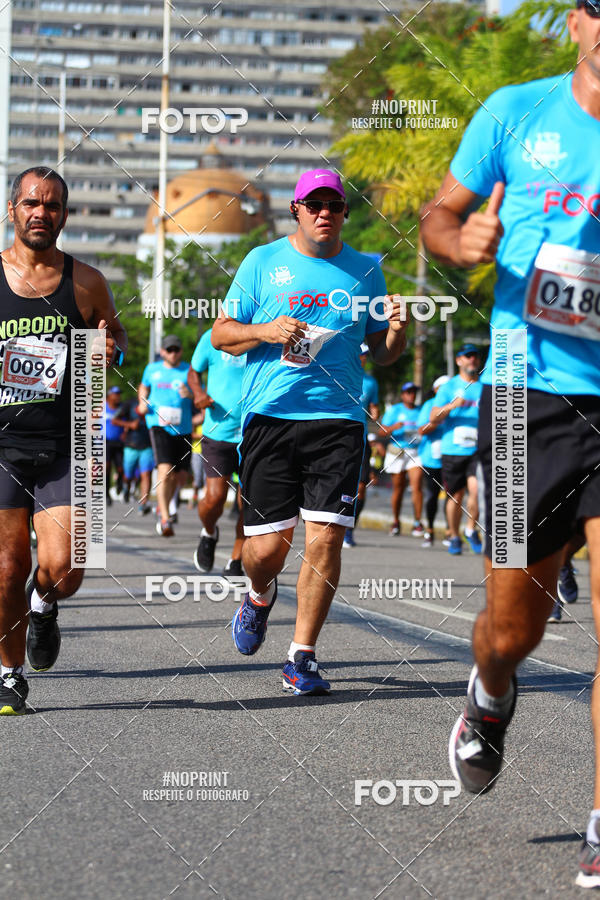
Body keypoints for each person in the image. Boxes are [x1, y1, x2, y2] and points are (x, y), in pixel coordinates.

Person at [421, 2, 600, 886]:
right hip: (530, 392)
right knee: (509, 628)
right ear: (577, 23)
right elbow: (438, 217)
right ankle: (490, 700)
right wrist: (465, 241)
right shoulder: (515, 112)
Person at [212, 168, 409, 695]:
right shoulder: (262, 262)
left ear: (346, 212)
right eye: (314, 204)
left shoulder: (367, 271)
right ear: (296, 210)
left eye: (335, 206)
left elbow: (383, 355)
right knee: (267, 552)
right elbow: (221, 335)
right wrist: (263, 330)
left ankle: (302, 657)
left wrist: (396, 333)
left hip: (339, 422)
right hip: (271, 419)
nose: (325, 213)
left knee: (326, 539)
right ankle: (258, 595)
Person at [0, 166, 126, 715]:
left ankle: (45, 604)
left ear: (64, 216)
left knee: (70, 566)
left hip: (72, 441)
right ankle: (9, 675)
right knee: (5, 567)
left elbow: (115, 336)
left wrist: (110, 346)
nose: (40, 213)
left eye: (51, 206)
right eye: (31, 203)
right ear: (12, 210)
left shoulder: (87, 281)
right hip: (2, 444)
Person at [187, 325, 246, 575]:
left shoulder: (267, 336)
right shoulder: (212, 336)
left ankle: (236, 560)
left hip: (255, 433)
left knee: (250, 502)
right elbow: (193, 371)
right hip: (218, 432)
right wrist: (198, 393)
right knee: (214, 498)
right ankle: (209, 531)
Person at [430, 344, 483, 555]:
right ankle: (453, 534)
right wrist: (452, 406)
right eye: (468, 356)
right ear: (459, 360)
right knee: (455, 496)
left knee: (478, 490)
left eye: (475, 356)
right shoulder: (449, 387)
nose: (473, 360)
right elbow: (433, 418)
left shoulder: (485, 386)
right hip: (453, 449)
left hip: (478, 449)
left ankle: (470, 530)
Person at [138, 334, 192, 537]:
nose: (173, 353)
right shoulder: (152, 369)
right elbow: (143, 386)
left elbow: (201, 393)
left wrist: (191, 394)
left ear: (181, 351)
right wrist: (143, 402)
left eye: (176, 349)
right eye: (169, 350)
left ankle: (163, 506)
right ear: (162, 352)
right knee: (166, 471)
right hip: (158, 425)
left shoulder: (189, 371)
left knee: (180, 477)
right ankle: (165, 518)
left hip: (183, 428)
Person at [343, 343, 380, 549]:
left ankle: (349, 530)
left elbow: (374, 409)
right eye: (358, 354)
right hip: (338, 436)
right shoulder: (339, 374)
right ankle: (332, 524)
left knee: (360, 488)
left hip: (361, 437)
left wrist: (375, 413)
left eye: (365, 355)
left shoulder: (371, 382)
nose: (362, 358)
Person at [379, 382, 423, 537]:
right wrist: (393, 428)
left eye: (414, 392)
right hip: (397, 452)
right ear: (403, 394)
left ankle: (418, 523)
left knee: (417, 486)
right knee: (399, 488)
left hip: (415, 452)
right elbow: (381, 431)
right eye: (409, 392)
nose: (412, 395)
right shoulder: (395, 410)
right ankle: (396, 521)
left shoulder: (421, 410)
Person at [416, 375, 449, 547]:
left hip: (453, 455)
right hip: (432, 457)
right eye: (442, 387)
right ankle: (429, 530)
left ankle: (451, 532)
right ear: (436, 389)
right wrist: (437, 420)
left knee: (453, 494)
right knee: (433, 495)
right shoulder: (430, 405)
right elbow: (422, 430)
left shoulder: (456, 404)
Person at [120, 394, 154, 515]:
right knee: (128, 475)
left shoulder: (155, 403)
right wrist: (129, 425)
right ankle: (126, 488)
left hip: (148, 445)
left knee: (146, 475)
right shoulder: (130, 403)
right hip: (131, 445)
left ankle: (144, 503)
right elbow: (115, 420)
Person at [103, 386, 128, 505]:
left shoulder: (122, 408)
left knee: (120, 468)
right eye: (116, 394)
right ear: (109, 395)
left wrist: (125, 432)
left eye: (119, 394)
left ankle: (119, 485)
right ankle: (106, 493)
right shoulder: (102, 407)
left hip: (119, 443)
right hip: (105, 442)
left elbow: (127, 423)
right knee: (106, 468)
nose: (118, 396)